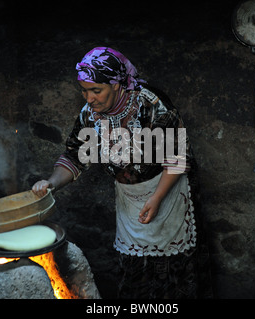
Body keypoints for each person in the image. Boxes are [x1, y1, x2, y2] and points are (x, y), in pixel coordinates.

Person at [32, 47, 211, 298]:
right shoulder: (89, 115)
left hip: (168, 192)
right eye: (84, 90)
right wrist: (51, 183)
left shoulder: (151, 104)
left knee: (173, 274)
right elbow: (75, 156)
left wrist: (157, 197)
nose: (89, 98)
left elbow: (178, 156)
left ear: (116, 85)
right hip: (129, 200)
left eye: (96, 90)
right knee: (134, 273)